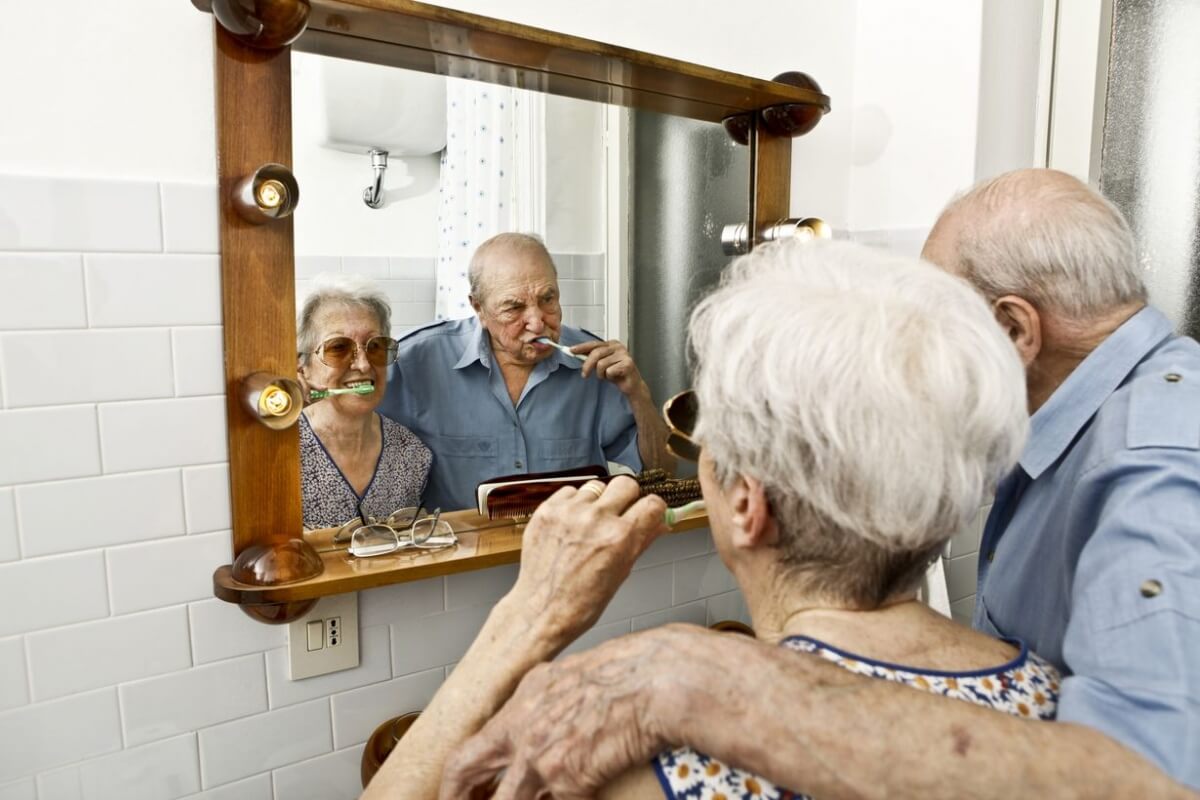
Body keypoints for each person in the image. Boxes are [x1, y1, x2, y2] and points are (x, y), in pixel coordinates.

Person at [438, 169, 1200, 798]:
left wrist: (692, 679)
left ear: (745, 500)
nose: (933, 349)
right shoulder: (1040, 694)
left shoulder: (1163, 462)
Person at [361, 238, 1077, 800]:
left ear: (745, 503)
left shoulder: (661, 771)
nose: (536, 319)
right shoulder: (1065, 718)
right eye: (515, 305)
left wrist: (529, 620)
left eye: (706, 440)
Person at [378, 232, 671, 511]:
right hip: (462, 557)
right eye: (514, 307)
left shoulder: (594, 363)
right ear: (478, 308)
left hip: (567, 546)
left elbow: (662, 472)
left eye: (548, 299)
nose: (537, 321)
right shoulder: (415, 361)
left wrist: (639, 395)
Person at [296, 274, 432, 528]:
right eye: (338, 348)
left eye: (376, 346)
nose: (363, 364)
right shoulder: (280, 452)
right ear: (302, 366)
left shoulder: (412, 454)